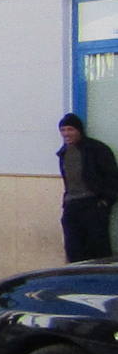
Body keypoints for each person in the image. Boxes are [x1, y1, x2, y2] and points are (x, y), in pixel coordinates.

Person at [57, 112, 118, 262]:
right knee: (73, 249)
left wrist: (105, 202)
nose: (66, 134)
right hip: (72, 206)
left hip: (93, 205)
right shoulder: (64, 153)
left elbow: (112, 177)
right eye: (63, 130)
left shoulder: (97, 149)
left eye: (70, 129)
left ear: (79, 130)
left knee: (98, 250)